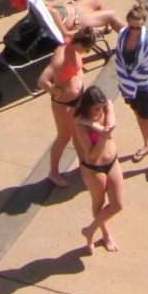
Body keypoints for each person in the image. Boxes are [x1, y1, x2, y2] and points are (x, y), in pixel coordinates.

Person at [39, 27, 95, 189]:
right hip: (64, 104)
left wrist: (78, 73)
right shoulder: (60, 59)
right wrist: (53, 90)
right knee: (64, 137)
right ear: (79, 45)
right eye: (86, 49)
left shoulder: (73, 42)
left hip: (78, 98)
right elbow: (42, 80)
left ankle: (82, 162)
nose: (86, 52)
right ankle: (53, 173)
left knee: (80, 131)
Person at [71, 86, 125, 252]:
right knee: (99, 203)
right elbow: (92, 154)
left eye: (101, 107)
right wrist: (102, 136)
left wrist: (95, 124)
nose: (100, 110)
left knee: (118, 205)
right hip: (94, 168)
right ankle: (105, 234)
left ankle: (89, 230)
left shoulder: (106, 105)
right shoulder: (80, 125)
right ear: (87, 107)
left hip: (112, 162)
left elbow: (111, 124)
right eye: (95, 109)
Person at [112, 6, 148, 179]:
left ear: (143, 25)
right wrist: (125, 79)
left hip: (143, 85)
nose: (134, 30)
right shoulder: (123, 34)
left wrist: (129, 79)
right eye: (132, 26)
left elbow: (145, 66)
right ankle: (146, 145)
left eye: (138, 27)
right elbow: (118, 57)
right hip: (129, 84)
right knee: (138, 114)